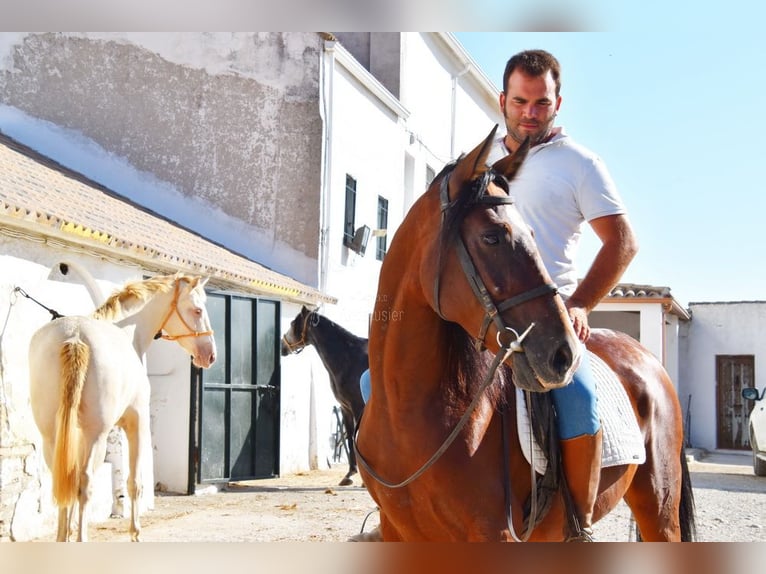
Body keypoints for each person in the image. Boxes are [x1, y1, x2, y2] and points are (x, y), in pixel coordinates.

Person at [487, 49, 639, 541]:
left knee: (578, 396)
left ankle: (579, 527)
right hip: (477, 316)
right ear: (502, 99)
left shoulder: (580, 164)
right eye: (520, 101)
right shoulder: (477, 160)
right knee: (372, 384)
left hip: (546, 322)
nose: (529, 113)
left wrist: (578, 305)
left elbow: (623, 242)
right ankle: (396, 516)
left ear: (558, 103)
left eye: (541, 103)